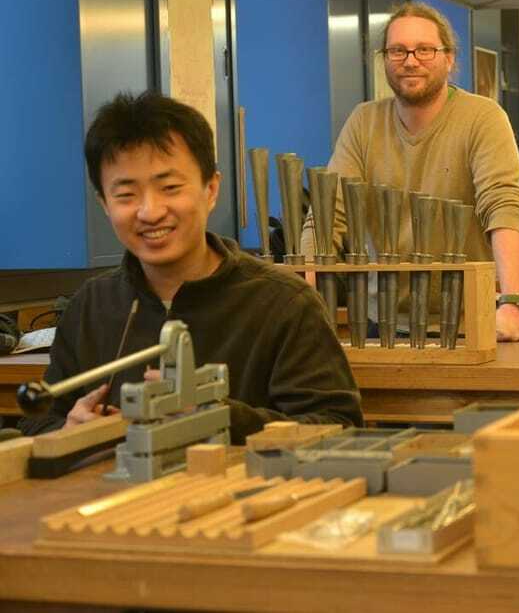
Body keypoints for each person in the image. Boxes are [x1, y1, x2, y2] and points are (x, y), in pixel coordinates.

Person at [17, 91, 363, 443]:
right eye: (126, 195)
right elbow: (37, 422)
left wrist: (220, 417)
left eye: (169, 187)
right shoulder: (91, 305)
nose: (150, 212)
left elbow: (338, 427)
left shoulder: (285, 303)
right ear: (104, 204)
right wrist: (70, 432)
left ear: (211, 189)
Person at [300, 1, 519, 341]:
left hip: (468, 324)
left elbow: (503, 205)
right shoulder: (364, 122)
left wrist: (512, 303)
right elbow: (328, 214)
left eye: (425, 50)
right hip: (381, 324)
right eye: (398, 50)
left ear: (449, 58)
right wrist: (302, 300)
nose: (410, 61)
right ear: (384, 59)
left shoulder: (483, 117)